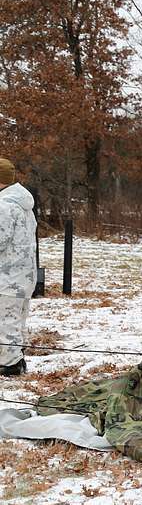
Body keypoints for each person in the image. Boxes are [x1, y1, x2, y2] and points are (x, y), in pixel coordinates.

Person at [0, 157, 38, 377]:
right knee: (16, 319)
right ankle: (17, 358)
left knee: (6, 320)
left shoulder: (4, 206)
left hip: (7, 276)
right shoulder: (23, 204)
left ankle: (10, 364)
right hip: (23, 275)